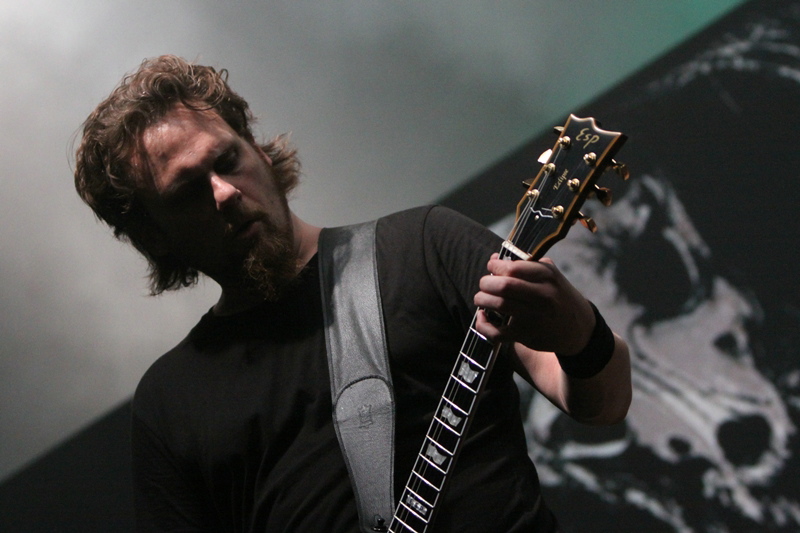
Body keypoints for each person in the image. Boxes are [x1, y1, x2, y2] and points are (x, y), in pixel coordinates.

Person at [74, 55, 631, 532]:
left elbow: (605, 403)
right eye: (187, 191)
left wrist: (580, 334)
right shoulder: (171, 400)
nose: (223, 193)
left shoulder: (423, 246)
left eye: (227, 161)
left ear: (258, 150)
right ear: (154, 235)